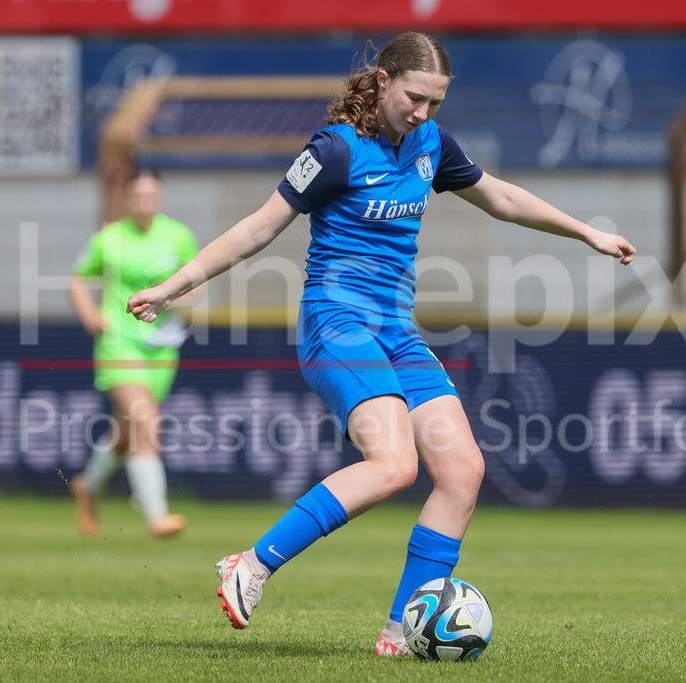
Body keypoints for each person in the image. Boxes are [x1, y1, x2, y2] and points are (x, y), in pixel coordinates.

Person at [127, 32, 635, 654]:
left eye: (435, 103)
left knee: (462, 471)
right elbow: (259, 227)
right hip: (335, 325)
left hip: (396, 332)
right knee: (395, 465)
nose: (422, 112)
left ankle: (401, 631)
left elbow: (499, 197)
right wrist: (172, 288)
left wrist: (586, 232)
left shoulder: (430, 144)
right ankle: (252, 565)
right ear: (384, 79)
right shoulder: (335, 150)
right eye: (414, 97)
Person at [68, 168, 200, 539]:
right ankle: (156, 516)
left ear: (159, 198)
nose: (145, 202)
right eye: (138, 196)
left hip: (161, 348)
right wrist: (91, 315)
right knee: (145, 420)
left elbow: (195, 287)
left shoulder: (178, 237)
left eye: (151, 196)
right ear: (128, 199)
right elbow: (77, 279)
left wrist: (174, 300)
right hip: (118, 343)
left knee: (126, 432)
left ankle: (87, 487)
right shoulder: (108, 239)